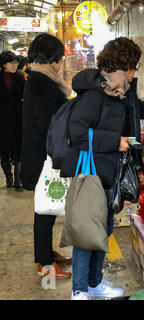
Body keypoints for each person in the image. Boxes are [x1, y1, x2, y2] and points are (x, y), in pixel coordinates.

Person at [59, 37, 144, 300]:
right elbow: (77, 133)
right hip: (91, 172)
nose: (135, 73)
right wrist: (114, 140)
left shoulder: (123, 91)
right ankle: (79, 290)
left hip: (112, 172)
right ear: (123, 66)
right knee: (87, 231)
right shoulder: (95, 95)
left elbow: (141, 109)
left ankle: (95, 284)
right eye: (133, 67)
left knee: (104, 229)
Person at [21, 33, 73, 279]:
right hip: (43, 156)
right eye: (60, 59)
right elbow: (48, 121)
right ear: (52, 59)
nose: (60, 64)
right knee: (45, 209)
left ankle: (47, 254)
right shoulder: (40, 82)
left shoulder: (38, 78)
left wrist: (63, 87)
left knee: (48, 207)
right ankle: (44, 263)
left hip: (42, 154)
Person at [0, 51, 25, 191]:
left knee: (18, 149)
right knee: (3, 150)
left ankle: (18, 181)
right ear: (4, 64)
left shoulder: (20, 78)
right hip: (2, 120)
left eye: (16, 63)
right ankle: (8, 178)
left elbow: (24, 96)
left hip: (17, 118)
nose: (15, 66)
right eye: (12, 63)